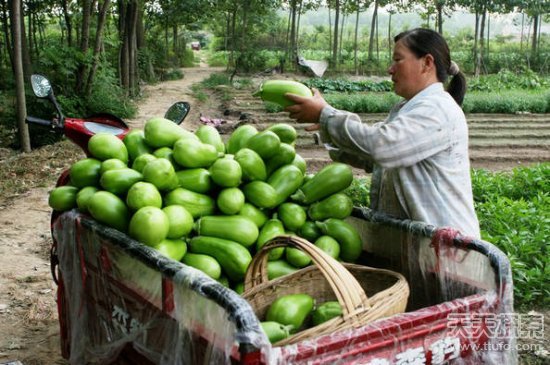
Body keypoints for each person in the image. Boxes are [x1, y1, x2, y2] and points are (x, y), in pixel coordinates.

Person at [285, 28, 481, 239]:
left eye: (398, 60)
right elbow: (370, 156)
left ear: (427, 63)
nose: (390, 69)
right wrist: (327, 127)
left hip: (446, 254)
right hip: (422, 247)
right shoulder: (409, 109)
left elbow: (383, 147)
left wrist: (326, 115)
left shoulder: (437, 110)